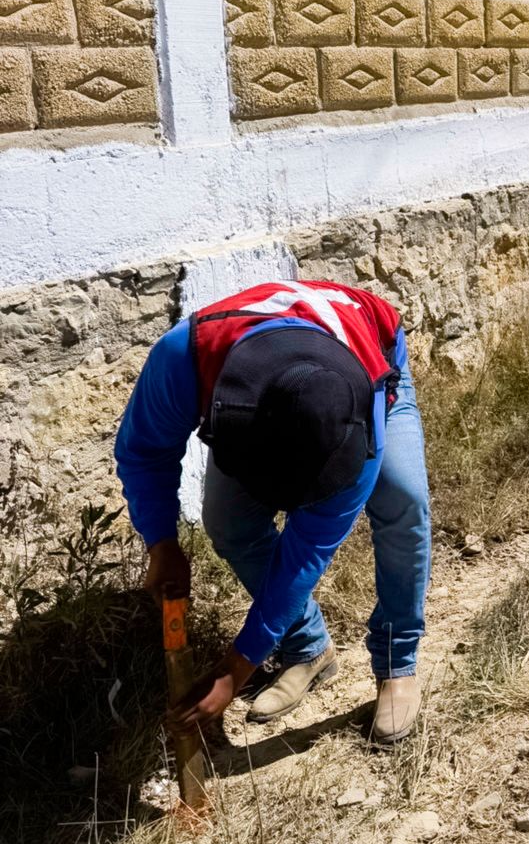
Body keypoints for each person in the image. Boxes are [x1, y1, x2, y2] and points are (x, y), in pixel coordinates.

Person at [114, 279, 430, 744]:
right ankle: (308, 648)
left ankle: (396, 665)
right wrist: (160, 542)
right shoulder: (185, 359)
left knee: (403, 499)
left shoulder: (359, 422)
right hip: (264, 382)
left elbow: (303, 558)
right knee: (229, 523)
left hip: (369, 354)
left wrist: (234, 668)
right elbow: (144, 453)